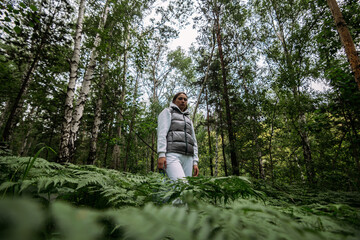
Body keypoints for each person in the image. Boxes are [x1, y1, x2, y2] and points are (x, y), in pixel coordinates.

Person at [157, 92, 199, 181]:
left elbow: (194, 141)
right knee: (181, 186)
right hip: (172, 154)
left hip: (188, 157)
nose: (183, 101)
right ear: (174, 101)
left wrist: (195, 162)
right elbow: (162, 133)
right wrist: (161, 154)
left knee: (177, 189)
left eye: (185, 99)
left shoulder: (188, 119)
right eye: (180, 98)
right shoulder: (167, 112)